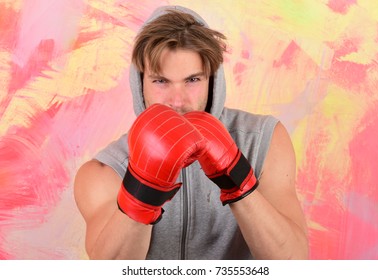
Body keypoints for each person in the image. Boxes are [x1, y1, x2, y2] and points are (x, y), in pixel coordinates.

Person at [74, 5, 309, 260]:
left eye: (193, 80)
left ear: (212, 79)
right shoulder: (106, 170)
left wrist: (237, 177)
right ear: (140, 83)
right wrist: (143, 188)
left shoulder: (264, 140)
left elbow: (293, 262)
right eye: (161, 81)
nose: (177, 101)